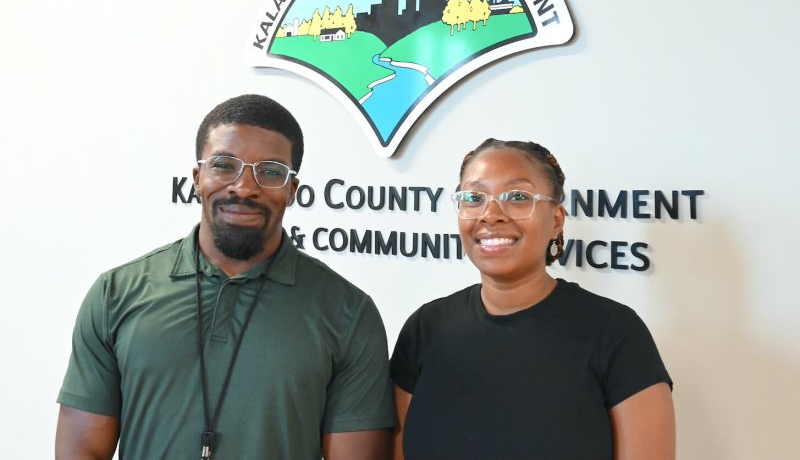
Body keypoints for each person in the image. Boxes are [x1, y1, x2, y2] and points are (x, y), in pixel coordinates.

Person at [56, 94, 394, 460]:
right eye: (223, 165)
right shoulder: (116, 293)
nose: (244, 187)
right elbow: (81, 451)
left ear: (292, 190)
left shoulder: (348, 312)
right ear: (197, 178)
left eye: (270, 171)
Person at [390, 139, 675, 460]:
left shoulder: (615, 333)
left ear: (556, 220)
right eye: (474, 198)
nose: (491, 215)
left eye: (517, 197)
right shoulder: (426, 328)